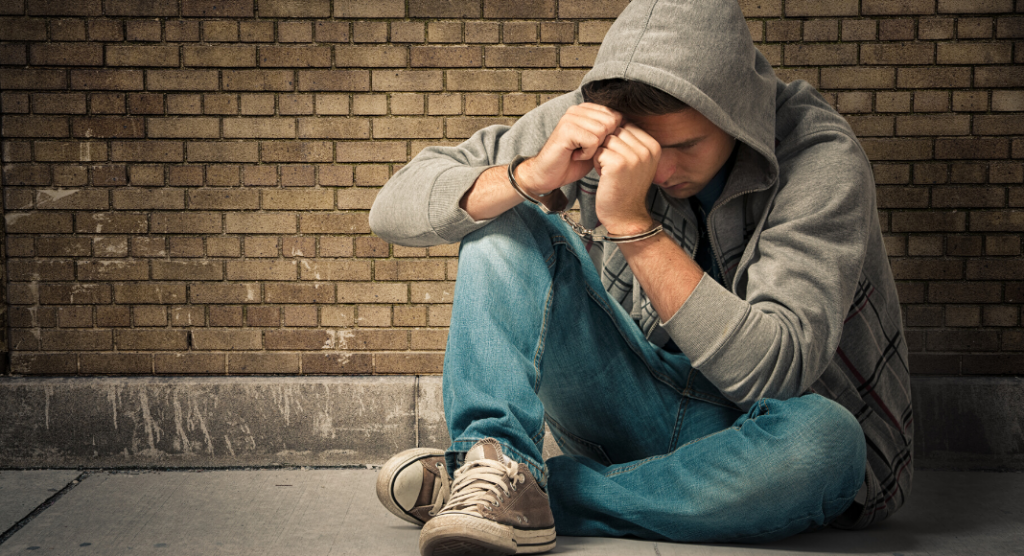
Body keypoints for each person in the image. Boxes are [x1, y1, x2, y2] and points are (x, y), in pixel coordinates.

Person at [369, 1, 912, 554]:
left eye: (683, 145)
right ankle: (497, 461)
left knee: (827, 442)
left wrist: (633, 223)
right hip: (637, 406)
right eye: (640, 147)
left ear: (738, 115)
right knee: (504, 215)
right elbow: (391, 208)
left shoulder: (820, 156)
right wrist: (530, 175)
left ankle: (514, 494)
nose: (662, 168)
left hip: (771, 444)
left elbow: (774, 375)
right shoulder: (590, 117)